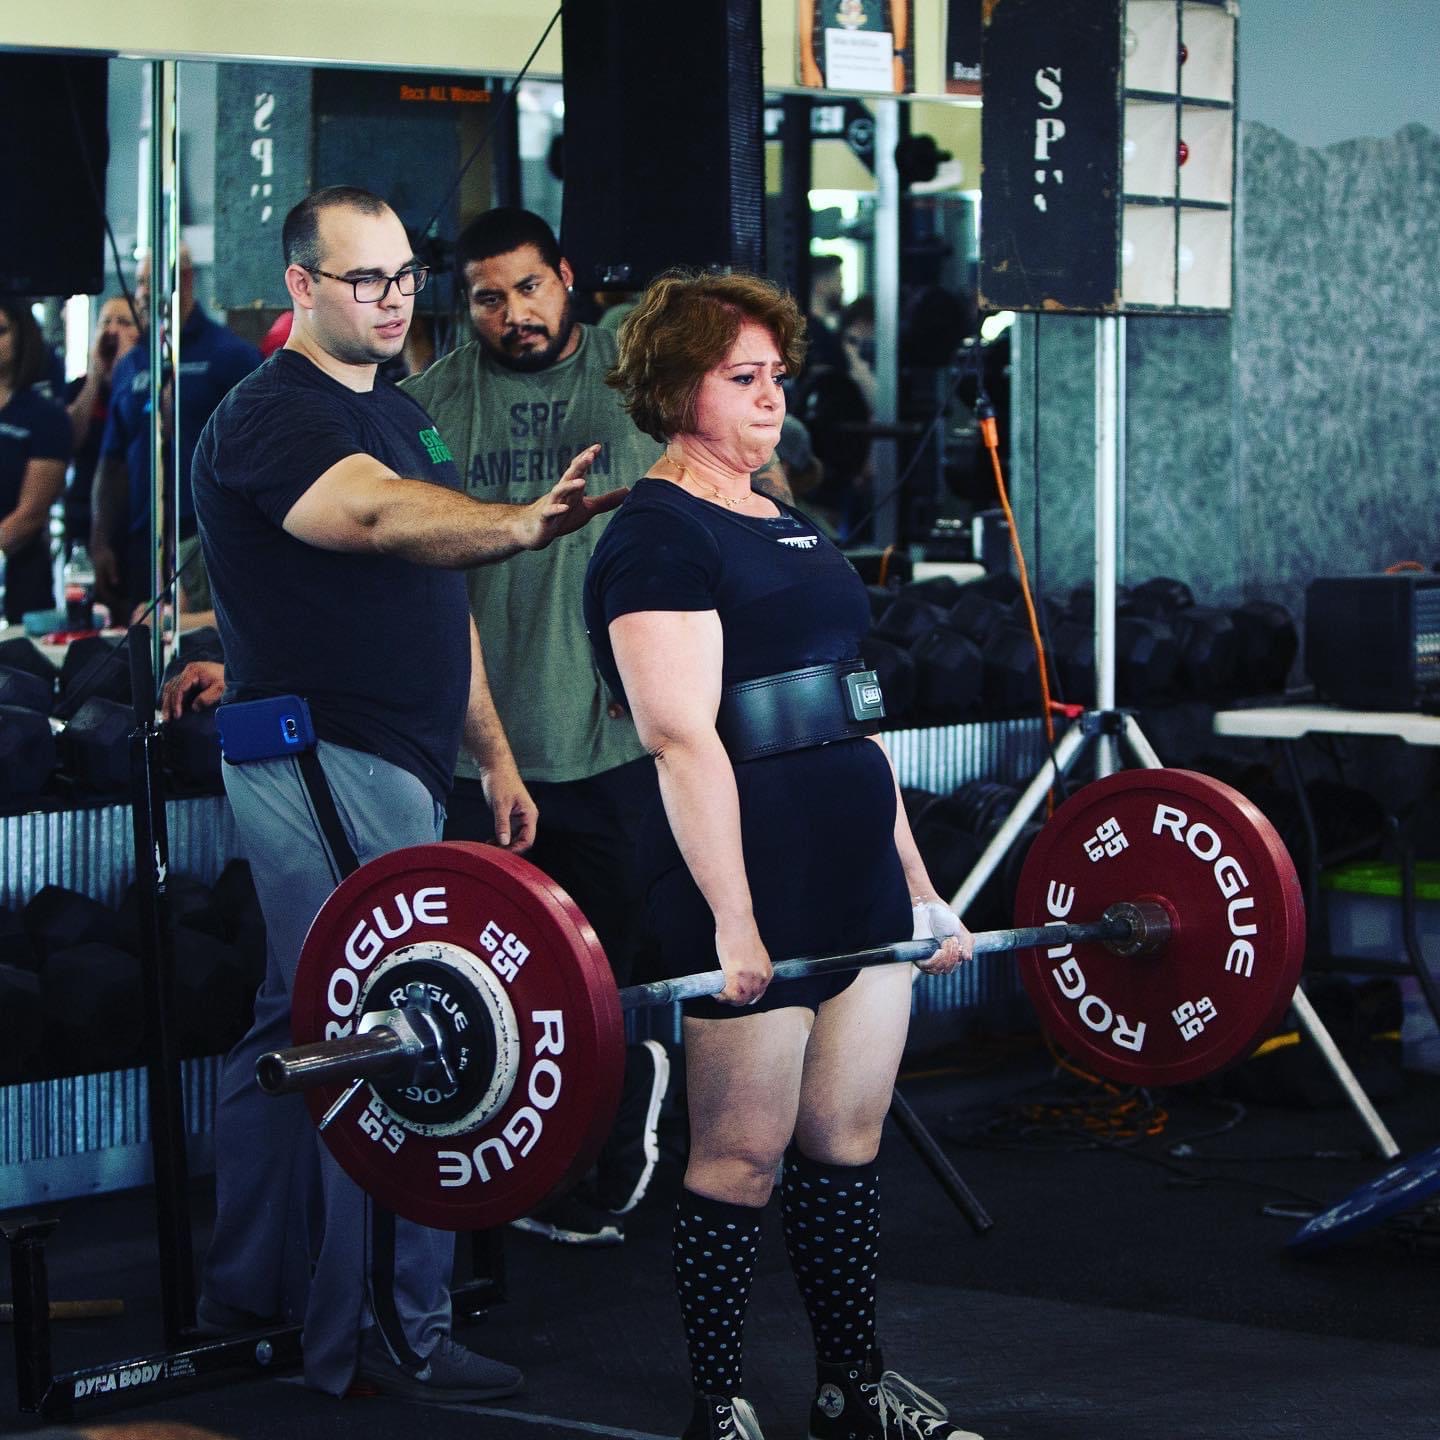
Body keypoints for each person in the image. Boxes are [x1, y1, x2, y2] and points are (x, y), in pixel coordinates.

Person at [187, 184, 621, 1403]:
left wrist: (492, 753)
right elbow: (376, 523)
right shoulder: (273, 416)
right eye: (362, 279)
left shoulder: (407, 415)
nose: (391, 299)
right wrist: (519, 522)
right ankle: (384, 1334)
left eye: (401, 278)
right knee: (394, 1033)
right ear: (302, 289)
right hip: (321, 755)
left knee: (301, 1025)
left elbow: (442, 593)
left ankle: (256, 1290)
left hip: (404, 758)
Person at [583, 270, 982, 1440]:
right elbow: (679, 738)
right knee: (743, 1157)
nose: (771, 401)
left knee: (845, 1145)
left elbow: (851, 725)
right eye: (741, 379)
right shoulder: (655, 533)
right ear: (672, 390)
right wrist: (735, 924)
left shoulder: (789, 518)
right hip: (748, 880)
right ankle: (722, 1400)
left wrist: (919, 888)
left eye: (776, 378)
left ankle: (853, 1389)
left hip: (856, 867)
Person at [399, 208, 670, 1247]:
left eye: (528, 288)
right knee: (501, 979)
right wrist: (197, 607)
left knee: (611, 965)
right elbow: (354, 498)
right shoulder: (430, 410)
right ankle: (534, 1183)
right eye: (487, 297)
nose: (513, 314)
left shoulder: (634, 371)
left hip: (612, 733)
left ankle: (608, 1148)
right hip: (480, 742)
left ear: (567, 277)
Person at [91, 246, 262, 620]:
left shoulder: (231, 355)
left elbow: (258, 449)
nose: (141, 294)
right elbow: (112, 457)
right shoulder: (133, 363)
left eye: (148, 283)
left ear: (184, 280)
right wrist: (100, 539)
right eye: (137, 283)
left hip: (205, 534)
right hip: (141, 532)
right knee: (135, 635)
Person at [0, 297, 71, 623]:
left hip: (20, 576)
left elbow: (30, 515)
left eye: (0, 331)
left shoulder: (44, 417)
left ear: (21, 337)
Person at [63, 294, 140, 549]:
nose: (112, 330)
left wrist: (127, 370)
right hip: (83, 514)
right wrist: (95, 377)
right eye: (106, 322)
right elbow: (70, 440)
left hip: (132, 516)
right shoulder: (79, 388)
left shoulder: (142, 387)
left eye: (124, 322)